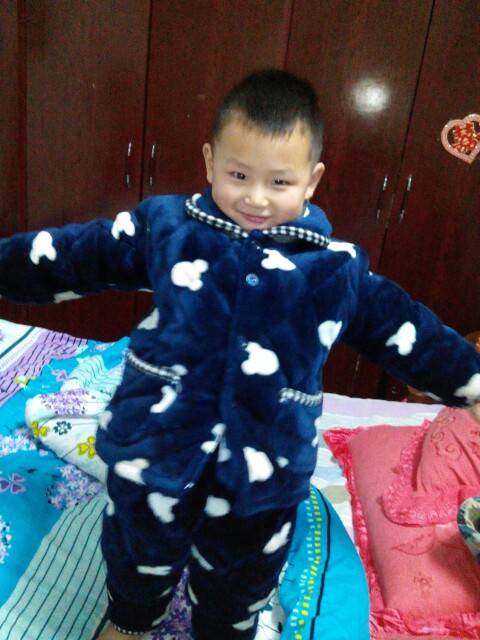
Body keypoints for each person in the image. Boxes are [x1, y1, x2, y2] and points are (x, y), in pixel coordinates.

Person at [1, 69, 479, 640]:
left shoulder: (336, 269)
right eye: (238, 175)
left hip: (264, 469)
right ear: (209, 163)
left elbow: (409, 332)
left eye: (279, 182)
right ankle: (130, 620)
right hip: (154, 444)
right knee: (135, 546)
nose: (255, 197)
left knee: (241, 577)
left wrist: (472, 383)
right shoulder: (167, 228)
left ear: (311, 180)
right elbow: (75, 255)